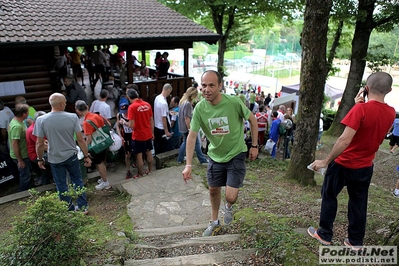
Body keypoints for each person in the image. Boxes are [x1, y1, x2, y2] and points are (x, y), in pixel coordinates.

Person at [308, 72, 396, 249]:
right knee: (358, 203)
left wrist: (325, 161)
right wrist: (358, 107)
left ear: (366, 88)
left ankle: (325, 233)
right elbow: (371, 129)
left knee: (329, 196)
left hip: (343, 163)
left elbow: (345, 140)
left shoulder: (360, 109)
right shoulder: (391, 112)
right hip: (365, 166)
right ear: (390, 90)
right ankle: (355, 241)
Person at [182, 70, 258, 237]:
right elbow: (192, 136)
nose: (207, 89)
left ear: (220, 86)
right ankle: (214, 222)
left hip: (236, 152)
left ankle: (229, 207)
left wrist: (254, 145)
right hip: (215, 155)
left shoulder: (233, 102)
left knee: (230, 196)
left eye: (211, 85)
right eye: (203, 85)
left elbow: (253, 120)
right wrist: (188, 164)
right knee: (213, 190)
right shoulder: (200, 108)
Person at [34, 93, 92, 213]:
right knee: (77, 180)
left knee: (61, 184)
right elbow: (80, 139)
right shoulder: (72, 117)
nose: (66, 104)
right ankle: (83, 207)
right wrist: (86, 156)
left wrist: (40, 159)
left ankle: (69, 209)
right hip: (71, 155)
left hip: (55, 157)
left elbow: (39, 143)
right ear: (61, 104)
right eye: (65, 102)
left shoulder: (41, 120)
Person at [75, 100, 110, 190]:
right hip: (104, 142)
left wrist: (85, 147)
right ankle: (104, 179)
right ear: (87, 107)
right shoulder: (97, 115)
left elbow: (89, 138)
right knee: (102, 162)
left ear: (78, 111)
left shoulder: (86, 122)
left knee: (99, 164)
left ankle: (105, 182)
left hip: (96, 145)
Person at [126, 88, 154, 178]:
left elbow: (131, 125)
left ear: (129, 98)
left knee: (139, 155)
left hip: (138, 135)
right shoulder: (147, 105)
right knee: (149, 152)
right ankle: (150, 170)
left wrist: (124, 123)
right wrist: (152, 132)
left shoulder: (132, 107)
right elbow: (151, 120)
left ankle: (140, 174)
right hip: (148, 133)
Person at [177, 87, 208, 165]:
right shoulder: (187, 104)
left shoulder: (182, 101)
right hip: (187, 127)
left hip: (182, 126)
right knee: (196, 143)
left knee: (185, 142)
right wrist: (190, 128)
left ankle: (180, 159)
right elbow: (187, 117)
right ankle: (202, 160)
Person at [8, 103, 31, 191]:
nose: (28, 113)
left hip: (24, 153)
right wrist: (20, 160)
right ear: (24, 114)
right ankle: (22, 193)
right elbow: (14, 144)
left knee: (26, 174)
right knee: (25, 176)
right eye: (28, 112)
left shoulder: (16, 120)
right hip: (21, 156)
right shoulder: (17, 126)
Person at [26, 111, 51, 186]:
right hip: (36, 155)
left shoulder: (38, 127)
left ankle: (46, 184)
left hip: (43, 151)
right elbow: (42, 145)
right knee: (58, 159)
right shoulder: (33, 130)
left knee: (45, 171)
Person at [116, 96, 133, 179]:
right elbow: (117, 126)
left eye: (126, 111)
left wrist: (126, 123)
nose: (125, 113)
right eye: (124, 111)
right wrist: (120, 136)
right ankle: (128, 170)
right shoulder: (119, 115)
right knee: (127, 154)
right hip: (125, 136)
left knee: (137, 152)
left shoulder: (132, 114)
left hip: (134, 135)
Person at [153, 83, 173, 154]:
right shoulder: (164, 103)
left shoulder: (157, 98)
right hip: (162, 128)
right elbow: (164, 118)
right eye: (169, 92)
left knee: (158, 146)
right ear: (168, 90)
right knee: (164, 147)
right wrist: (166, 131)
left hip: (156, 126)